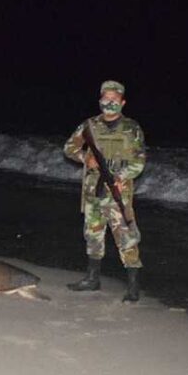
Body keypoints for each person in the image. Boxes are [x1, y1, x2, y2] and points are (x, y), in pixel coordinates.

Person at [63, 80, 146, 302]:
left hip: (118, 193)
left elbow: (139, 161)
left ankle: (133, 286)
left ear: (123, 102)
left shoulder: (132, 128)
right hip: (93, 192)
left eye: (114, 99)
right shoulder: (89, 126)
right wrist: (85, 158)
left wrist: (122, 177)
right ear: (100, 101)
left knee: (126, 237)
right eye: (106, 99)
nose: (110, 103)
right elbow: (69, 148)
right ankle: (92, 279)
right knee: (93, 234)